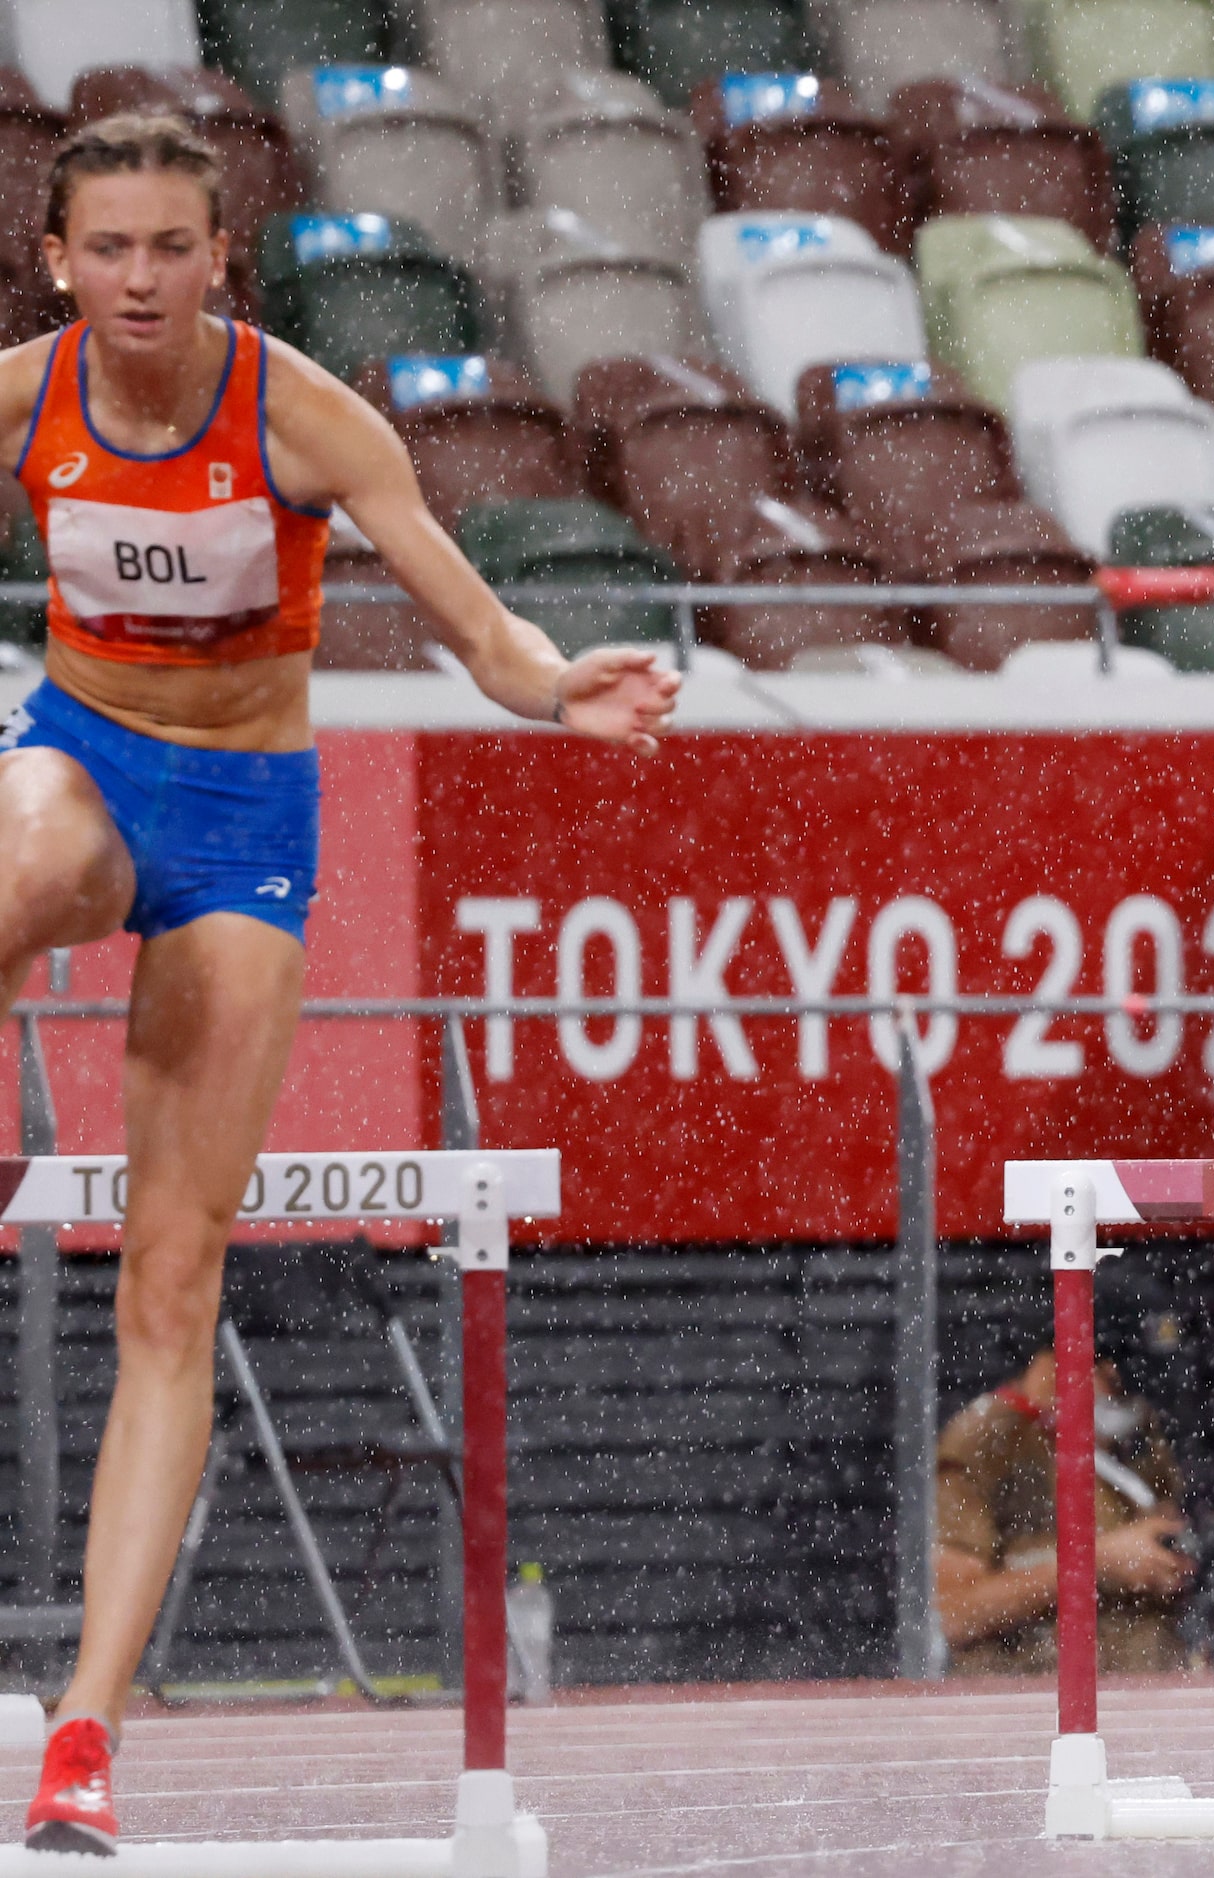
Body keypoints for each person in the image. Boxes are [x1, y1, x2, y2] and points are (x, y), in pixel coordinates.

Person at [1, 116, 679, 1854]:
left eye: (173, 246)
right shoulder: (23, 399)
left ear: (221, 257)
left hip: (243, 832)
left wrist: (548, 690)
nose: (140, 278)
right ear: (58, 260)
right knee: (38, 837)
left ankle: (81, 1734)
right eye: (110, 249)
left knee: (167, 1287)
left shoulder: (300, 417)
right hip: (79, 765)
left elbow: (470, 615)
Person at [934, 1271, 1200, 1674]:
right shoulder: (987, 1441)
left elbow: (1162, 1527)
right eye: (1116, 1381)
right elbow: (956, 1614)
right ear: (1062, 1358)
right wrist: (1097, 1564)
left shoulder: (1139, 1433)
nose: (1131, 1398)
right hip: (1029, 1703)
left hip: (1143, 1691)